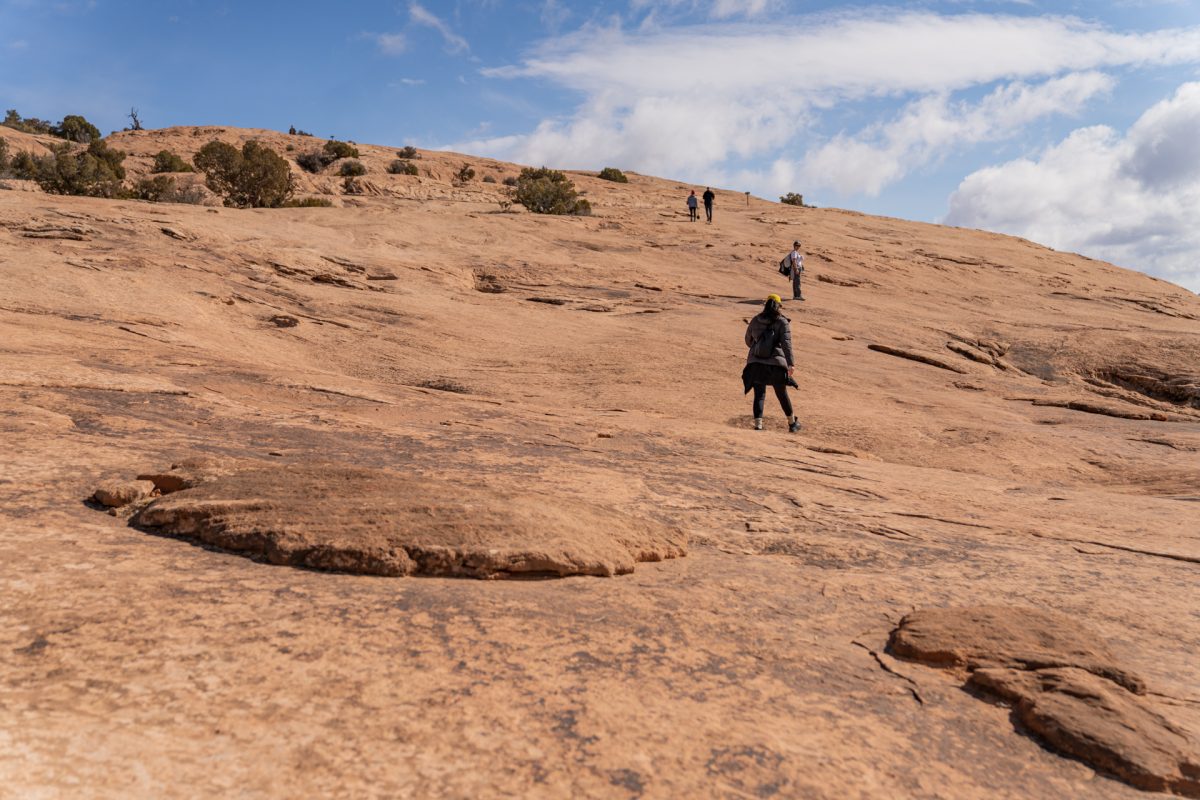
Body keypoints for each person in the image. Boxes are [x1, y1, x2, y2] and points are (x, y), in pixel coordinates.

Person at [742, 294, 801, 432]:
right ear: (779, 306)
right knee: (781, 393)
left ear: (766, 305)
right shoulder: (782, 321)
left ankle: (758, 425)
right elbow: (786, 344)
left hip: (756, 363)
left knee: (759, 394)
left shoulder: (756, 320)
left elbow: (748, 341)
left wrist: (758, 347)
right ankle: (792, 424)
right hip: (776, 364)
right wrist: (791, 364)